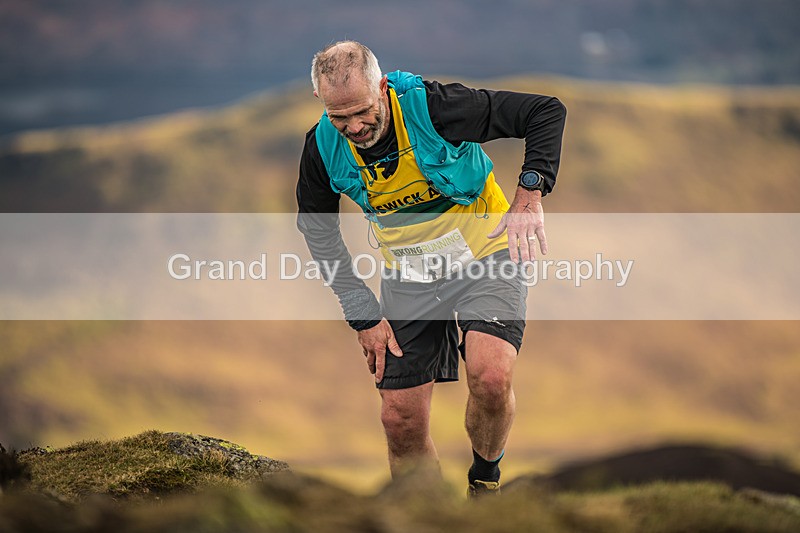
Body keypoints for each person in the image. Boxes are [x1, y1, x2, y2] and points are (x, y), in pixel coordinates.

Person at [297, 40, 566, 497]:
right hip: (410, 274)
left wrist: (529, 194)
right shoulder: (322, 147)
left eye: (362, 111)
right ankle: (426, 514)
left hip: (487, 252)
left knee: (491, 375)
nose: (355, 126)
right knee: (398, 418)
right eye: (339, 117)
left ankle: (485, 482)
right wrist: (362, 313)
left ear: (382, 88)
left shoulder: (436, 107)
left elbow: (545, 112)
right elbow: (318, 231)